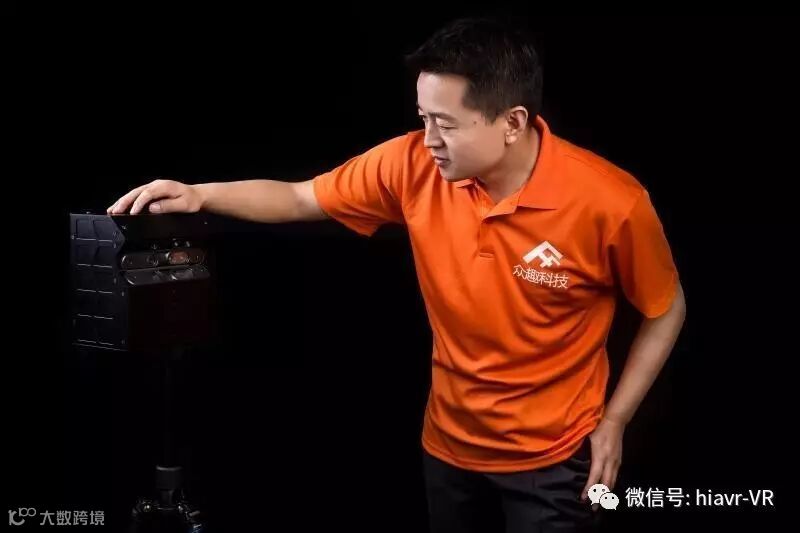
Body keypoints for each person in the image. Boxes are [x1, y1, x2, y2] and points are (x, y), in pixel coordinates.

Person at [108, 16, 686, 533]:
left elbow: (666, 308)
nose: (429, 140)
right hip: (448, 447)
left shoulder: (610, 202)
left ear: (512, 122)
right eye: (423, 118)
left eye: (446, 124)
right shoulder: (412, 164)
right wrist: (198, 193)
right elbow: (301, 197)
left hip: (555, 460)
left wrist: (616, 420)